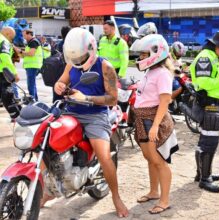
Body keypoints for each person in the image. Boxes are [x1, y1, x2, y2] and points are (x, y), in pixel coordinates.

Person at [51, 27, 129, 217]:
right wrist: (59, 86)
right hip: (72, 112)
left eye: (81, 59)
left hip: (96, 115)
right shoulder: (71, 64)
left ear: (91, 50)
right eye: (74, 60)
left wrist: (87, 99)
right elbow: (60, 82)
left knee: (104, 156)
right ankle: (47, 191)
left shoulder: (105, 67)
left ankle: (116, 198)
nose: (78, 63)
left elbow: (113, 99)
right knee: (50, 144)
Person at [130, 34, 178, 214]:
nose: (141, 57)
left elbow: (165, 101)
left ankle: (164, 201)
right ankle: (153, 192)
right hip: (142, 119)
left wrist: (156, 126)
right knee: (150, 159)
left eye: (144, 53)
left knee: (159, 161)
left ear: (156, 53)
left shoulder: (163, 74)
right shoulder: (150, 71)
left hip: (152, 120)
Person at [190, 31, 219, 193]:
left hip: (212, 104)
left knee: (205, 141)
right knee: (209, 143)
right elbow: (203, 82)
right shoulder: (206, 57)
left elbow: (210, 77)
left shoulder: (212, 57)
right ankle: (205, 179)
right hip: (209, 105)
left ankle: (202, 173)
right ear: (218, 47)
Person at [0, 27, 21, 121]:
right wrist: (14, 73)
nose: (11, 40)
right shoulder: (4, 41)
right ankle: (16, 116)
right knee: (7, 95)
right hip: (2, 73)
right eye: (12, 38)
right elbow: (5, 56)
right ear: (8, 34)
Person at [20, 29, 43, 101]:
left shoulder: (33, 42)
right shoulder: (30, 42)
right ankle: (35, 100)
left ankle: (32, 101)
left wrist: (21, 51)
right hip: (31, 66)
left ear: (29, 34)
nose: (23, 37)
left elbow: (31, 53)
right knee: (32, 85)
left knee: (31, 85)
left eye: (24, 35)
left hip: (33, 66)